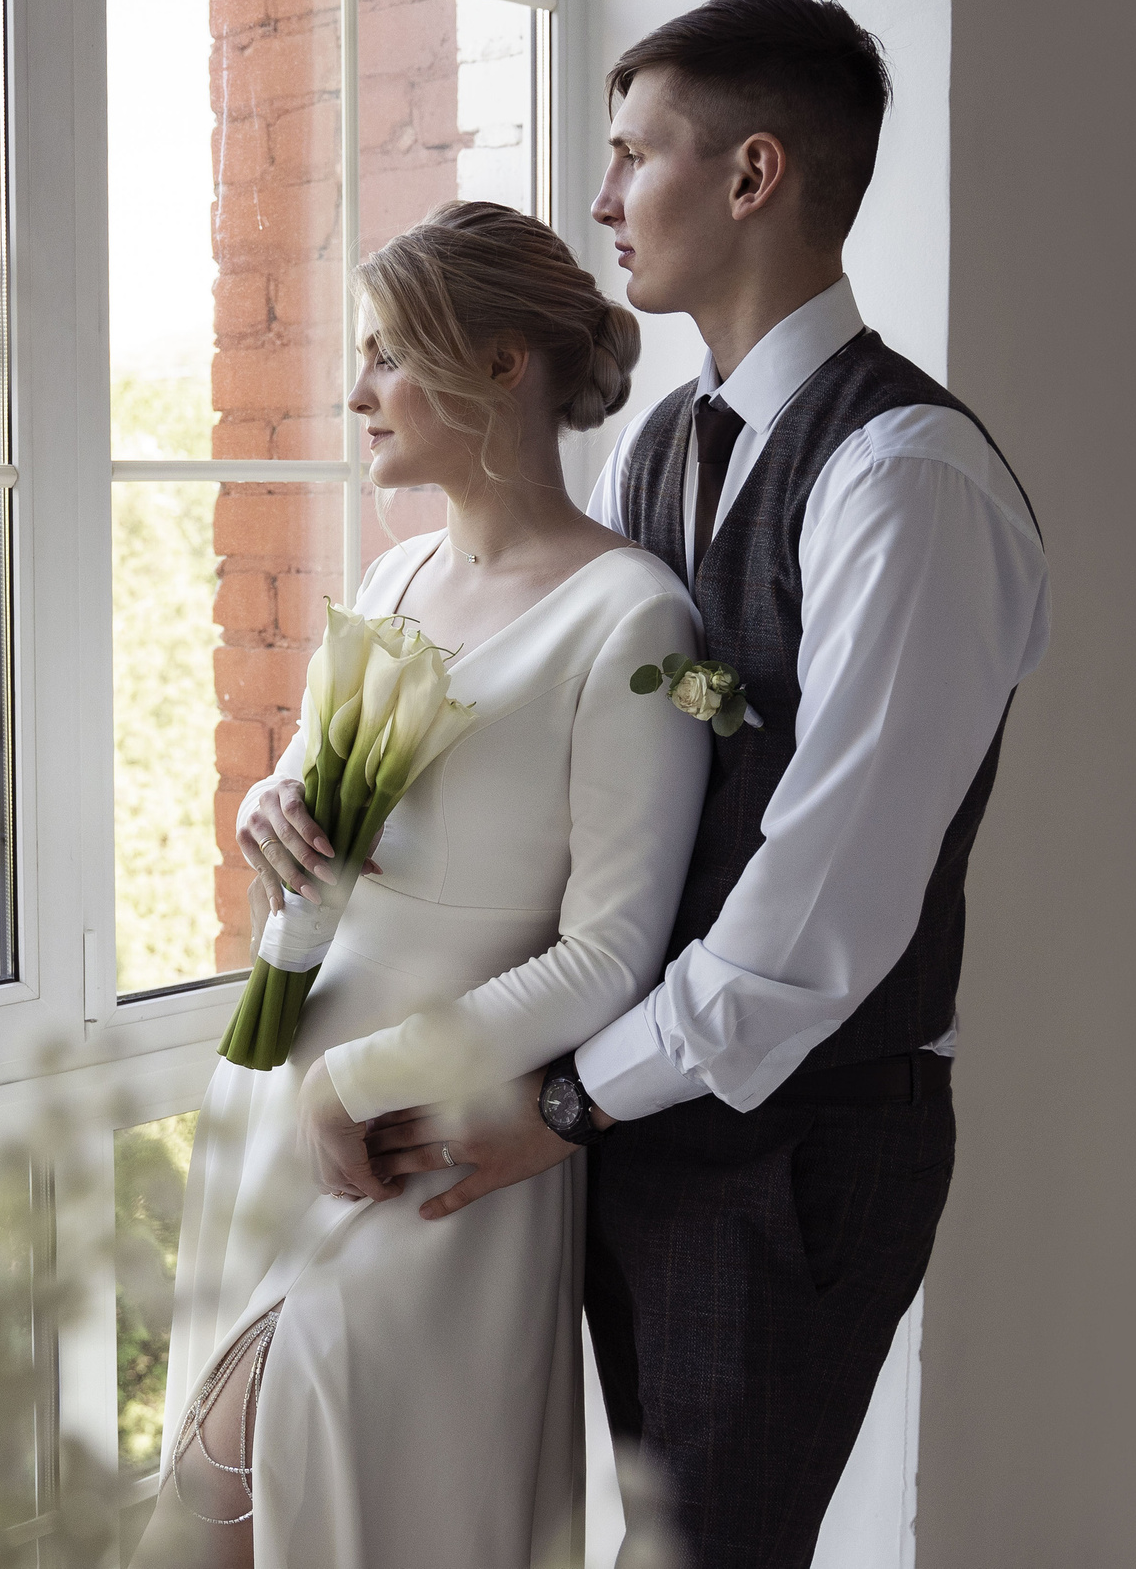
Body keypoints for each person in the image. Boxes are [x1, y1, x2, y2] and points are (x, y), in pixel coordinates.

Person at [333, 0, 1051, 1566]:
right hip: (635, 1119)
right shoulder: (663, 445)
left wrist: (566, 1101)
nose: (601, 200)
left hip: (799, 1141)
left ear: (751, 174)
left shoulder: (905, 480)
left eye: (633, 154)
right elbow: (604, 766)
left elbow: (821, 912)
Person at [132, 201, 711, 1569]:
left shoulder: (632, 617)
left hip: (425, 1144)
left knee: (301, 1512)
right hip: (281, 1104)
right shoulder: (394, 574)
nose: (357, 393)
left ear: (501, 364)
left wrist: (361, 1081)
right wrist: (271, 812)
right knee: (217, 1521)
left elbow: (611, 954)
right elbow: (316, 819)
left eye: (387, 355)